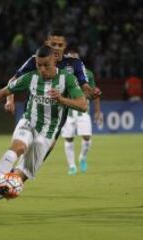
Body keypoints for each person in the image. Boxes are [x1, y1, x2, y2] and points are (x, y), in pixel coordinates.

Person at [0, 45, 87, 221]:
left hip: (46, 135)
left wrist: (62, 99)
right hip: (28, 123)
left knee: (14, 185)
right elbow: (2, 92)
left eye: (46, 65)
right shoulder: (30, 78)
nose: (42, 69)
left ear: (54, 60)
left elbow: (83, 105)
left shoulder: (67, 80)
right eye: (39, 65)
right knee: (18, 147)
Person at [0, 29, 101, 182]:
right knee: (23, 146)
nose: (56, 47)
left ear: (65, 46)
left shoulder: (74, 64)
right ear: (47, 44)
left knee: (41, 153)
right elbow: (14, 80)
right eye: (53, 44)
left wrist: (92, 92)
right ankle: (5, 181)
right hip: (35, 112)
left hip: (57, 116)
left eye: (59, 44)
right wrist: (10, 99)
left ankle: (13, 178)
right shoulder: (35, 60)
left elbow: (85, 87)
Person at [61, 45, 103, 175]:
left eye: (75, 57)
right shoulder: (61, 71)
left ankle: (83, 158)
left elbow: (94, 94)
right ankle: (72, 166)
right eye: (70, 56)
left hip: (83, 111)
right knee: (68, 138)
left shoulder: (88, 74)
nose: (73, 59)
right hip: (67, 111)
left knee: (87, 137)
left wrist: (97, 111)